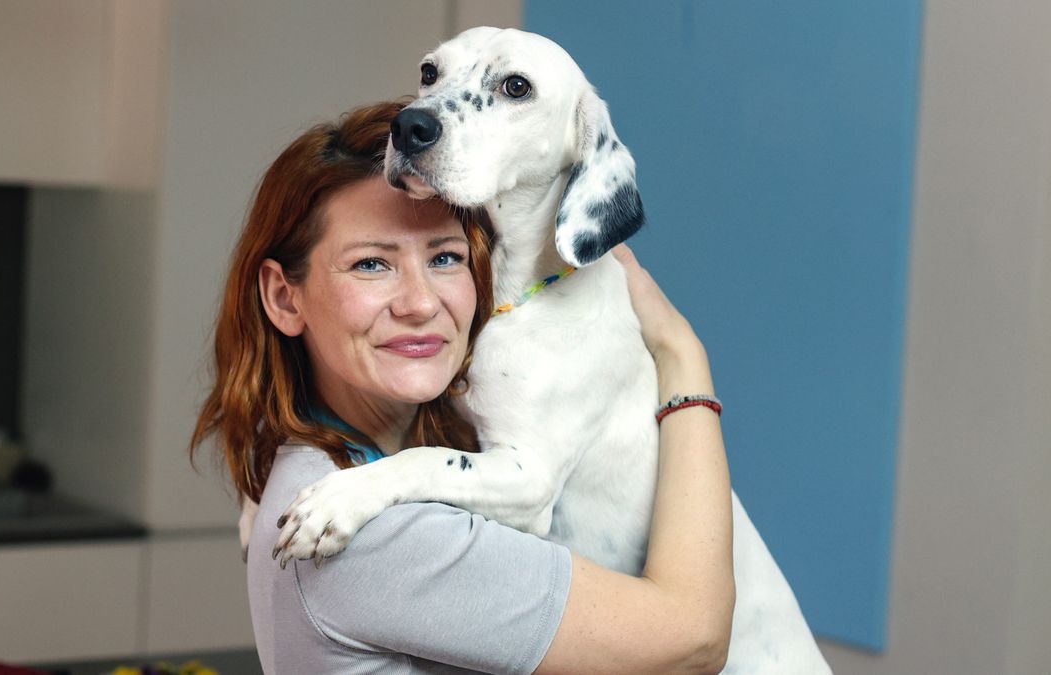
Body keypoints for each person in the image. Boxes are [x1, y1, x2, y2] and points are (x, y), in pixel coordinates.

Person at [190, 101, 734, 675]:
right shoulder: (375, 533)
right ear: (283, 297)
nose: (421, 303)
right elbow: (694, 639)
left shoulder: (325, 467)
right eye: (371, 265)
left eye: (446, 257)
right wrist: (682, 354)